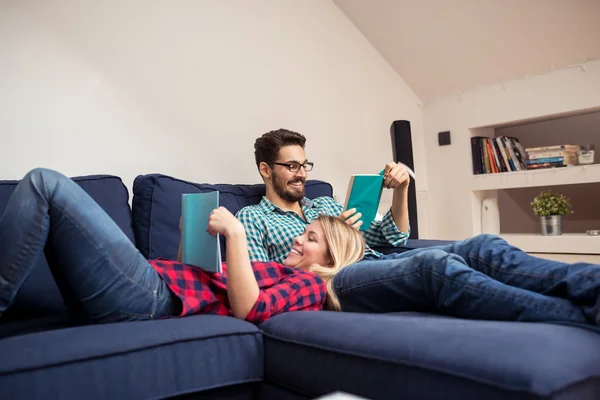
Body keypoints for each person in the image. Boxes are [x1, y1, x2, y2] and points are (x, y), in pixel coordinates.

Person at [236, 128, 600, 325]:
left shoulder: (326, 204)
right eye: (291, 166)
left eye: (304, 165)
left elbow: (393, 238)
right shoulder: (252, 219)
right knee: (435, 268)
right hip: (333, 281)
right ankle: (580, 317)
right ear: (266, 170)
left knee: (481, 247)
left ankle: (591, 287)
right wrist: (326, 251)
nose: (301, 174)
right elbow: (256, 280)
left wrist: (401, 192)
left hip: (376, 261)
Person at [0, 168, 365, 324]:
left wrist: (235, 235)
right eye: (304, 233)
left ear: (331, 259)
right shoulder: (284, 271)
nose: (299, 238)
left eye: (311, 238)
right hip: (157, 287)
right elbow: (196, 280)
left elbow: (252, 310)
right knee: (48, 199)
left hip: (152, 296)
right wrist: (188, 241)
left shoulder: (312, 284)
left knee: (45, 185)